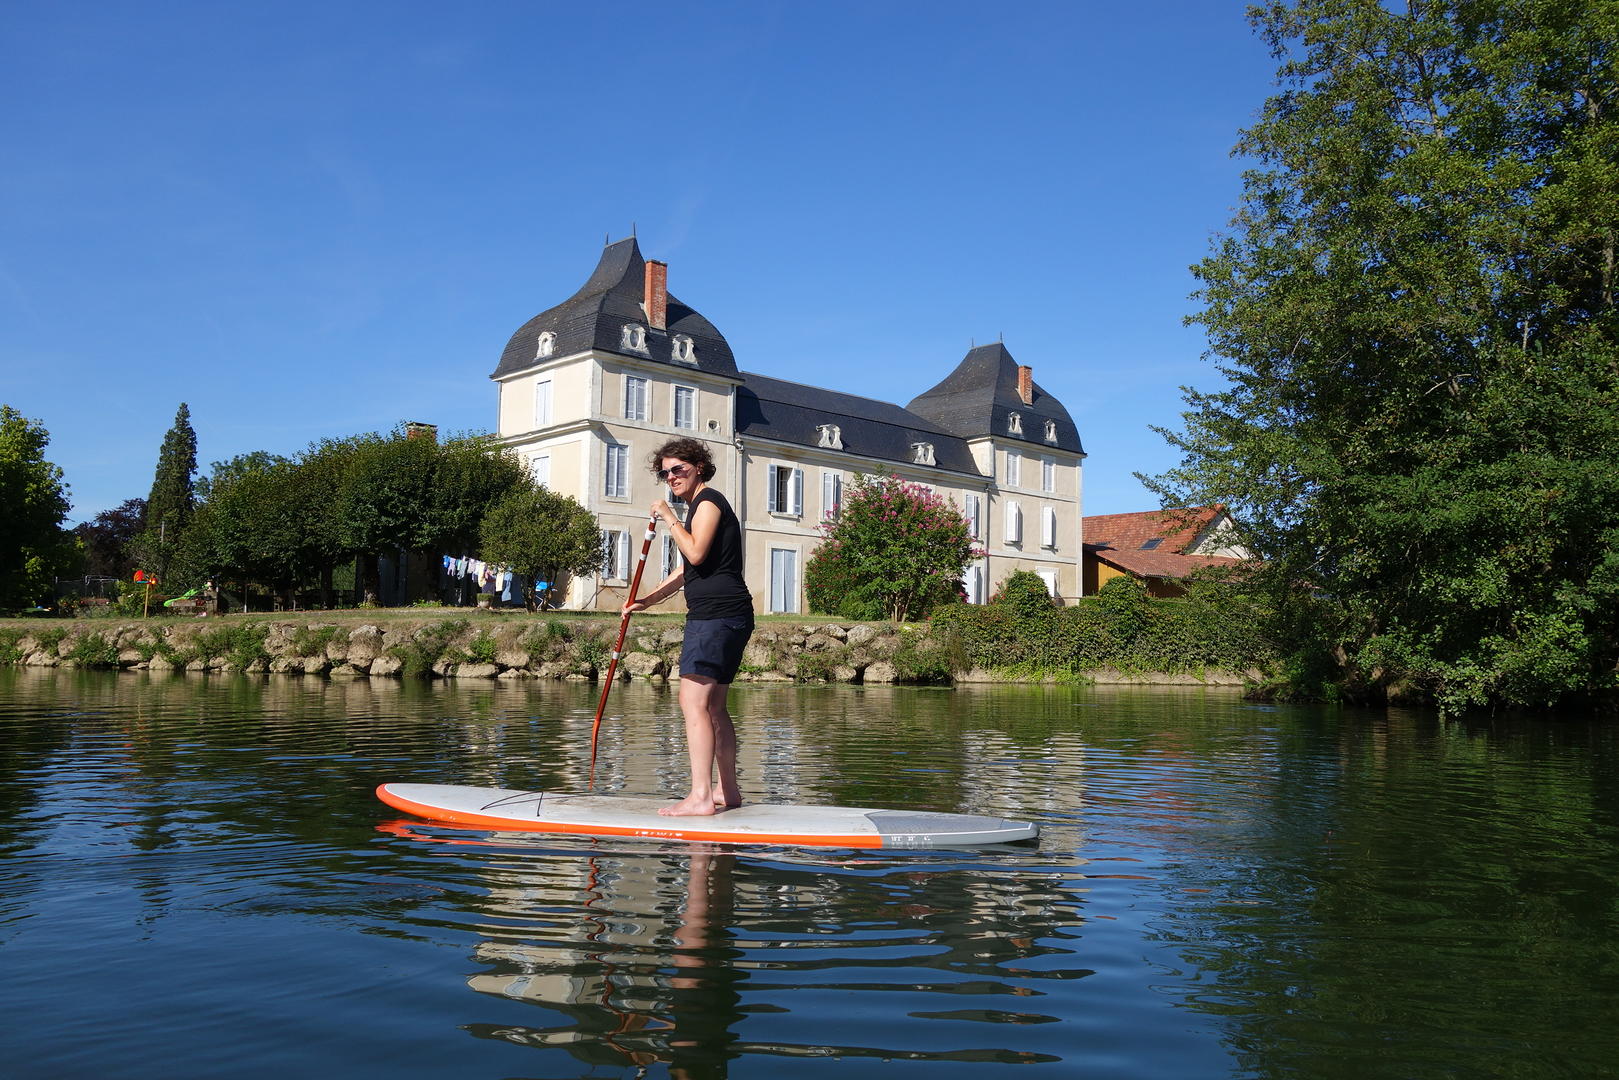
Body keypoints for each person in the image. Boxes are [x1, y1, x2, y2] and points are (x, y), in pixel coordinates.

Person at [624, 437, 755, 817]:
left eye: (678, 469)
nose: (671, 477)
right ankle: (726, 791)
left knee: (692, 701)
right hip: (726, 614)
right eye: (665, 473)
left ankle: (700, 797)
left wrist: (669, 517)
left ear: (698, 466)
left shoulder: (708, 502)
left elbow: (694, 551)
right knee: (714, 705)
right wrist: (647, 601)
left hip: (716, 616)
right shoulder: (699, 507)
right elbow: (688, 569)